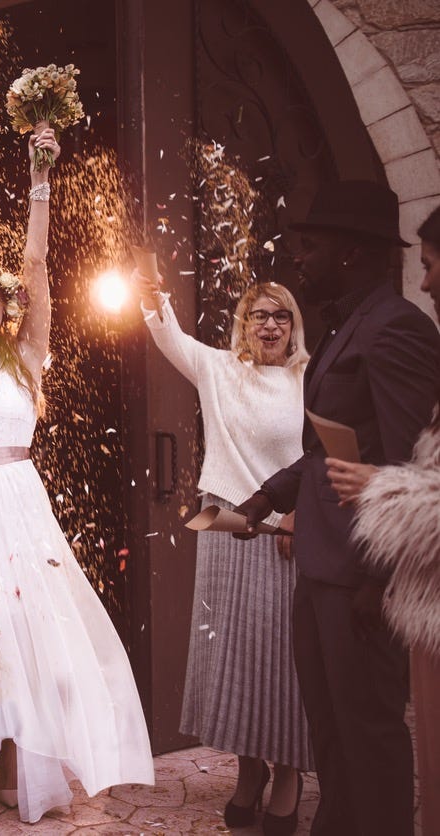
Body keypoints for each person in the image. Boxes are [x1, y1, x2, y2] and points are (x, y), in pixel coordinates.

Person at [0, 129, 153, 831]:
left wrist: (39, 180)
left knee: (26, 627)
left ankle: (24, 762)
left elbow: (38, 264)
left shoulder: (26, 356)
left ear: (5, 310)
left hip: (19, 501)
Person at [237, 181, 440, 836]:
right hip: (321, 567)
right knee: (331, 739)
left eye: (311, 245)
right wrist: (269, 496)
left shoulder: (397, 328)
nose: (300, 258)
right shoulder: (346, 324)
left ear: (351, 251)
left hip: (360, 579)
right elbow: (331, 449)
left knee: (369, 742)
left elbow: (412, 467)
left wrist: (379, 583)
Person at [131, 273, 312, 832]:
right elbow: (168, 335)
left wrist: (302, 512)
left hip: (283, 529)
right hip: (226, 523)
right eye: (259, 315)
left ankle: (288, 772)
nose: (270, 326)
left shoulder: (309, 377)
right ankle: (248, 769)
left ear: (294, 325)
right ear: (243, 323)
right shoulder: (219, 368)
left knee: (281, 657)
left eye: (280, 315)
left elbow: (322, 455)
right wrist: (151, 291)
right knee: (233, 655)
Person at [325, 204, 440, 836]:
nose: (424, 282)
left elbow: (404, 454)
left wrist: (383, 488)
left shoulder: (396, 328)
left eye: (432, 265)